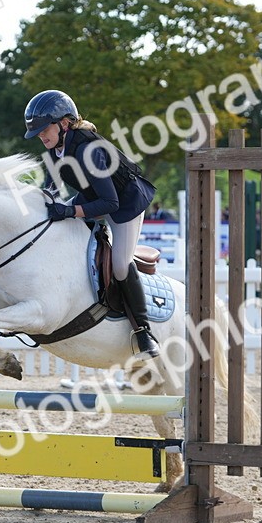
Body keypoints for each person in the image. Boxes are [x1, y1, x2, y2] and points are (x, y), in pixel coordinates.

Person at [24, 89, 158, 358]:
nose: (40, 135)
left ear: (64, 123)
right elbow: (49, 191)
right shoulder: (53, 151)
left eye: (44, 129)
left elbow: (110, 204)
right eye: (36, 131)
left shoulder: (89, 150)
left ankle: (143, 332)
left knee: (121, 264)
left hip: (125, 203)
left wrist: (70, 211)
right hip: (93, 195)